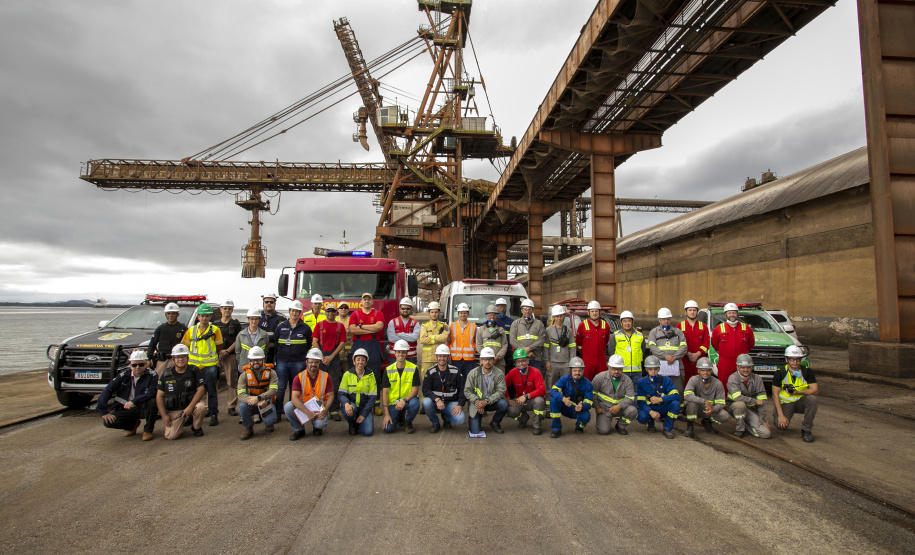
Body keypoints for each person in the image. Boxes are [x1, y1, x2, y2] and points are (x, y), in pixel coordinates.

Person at [97, 351, 158, 441]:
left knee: (152, 402)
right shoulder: (123, 375)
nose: (137, 367)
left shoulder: (152, 375)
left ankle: (148, 430)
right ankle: (131, 426)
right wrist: (103, 411)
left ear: (146, 364)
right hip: (124, 407)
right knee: (108, 422)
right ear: (130, 365)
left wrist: (135, 401)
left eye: (141, 364)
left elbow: (153, 392)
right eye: (134, 365)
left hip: (142, 407)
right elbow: (107, 390)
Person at [180, 303, 224, 426]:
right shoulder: (191, 330)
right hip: (193, 367)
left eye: (207, 316)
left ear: (210, 316)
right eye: (202, 316)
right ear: (198, 317)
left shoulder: (215, 330)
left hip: (209, 365)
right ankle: (191, 414)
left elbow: (219, 346)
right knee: (192, 392)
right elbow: (184, 346)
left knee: (211, 391)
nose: (204, 318)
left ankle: (213, 413)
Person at [156, 344, 207, 439]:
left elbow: (201, 390)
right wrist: (163, 415)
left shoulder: (194, 371)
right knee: (171, 436)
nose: (181, 359)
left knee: (201, 407)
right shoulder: (166, 374)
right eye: (178, 357)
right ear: (173, 359)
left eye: (183, 356)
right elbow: (159, 396)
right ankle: (180, 424)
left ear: (187, 358)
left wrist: (190, 408)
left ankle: (196, 427)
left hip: (190, 405)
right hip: (175, 409)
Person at [274, 300, 314, 420]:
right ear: (289, 311)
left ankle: (291, 411)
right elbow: (276, 343)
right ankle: (277, 412)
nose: (294, 313)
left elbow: (308, 344)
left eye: (297, 311)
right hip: (282, 361)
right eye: (292, 311)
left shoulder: (305, 328)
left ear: (300, 312)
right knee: (280, 387)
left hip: (298, 362)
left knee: (294, 388)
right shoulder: (281, 327)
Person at [347, 292, 386, 414]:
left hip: (373, 345)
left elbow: (379, 327)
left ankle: (376, 404)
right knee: (357, 374)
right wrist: (370, 328)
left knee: (375, 375)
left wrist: (361, 327)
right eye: (365, 299)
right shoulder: (355, 314)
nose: (367, 301)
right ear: (361, 302)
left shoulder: (378, 313)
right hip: (359, 345)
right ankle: (358, 403)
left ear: (372, 301)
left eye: (369, 299)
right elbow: (352, 329)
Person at [284, 348, 334, 440]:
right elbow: (294, 398)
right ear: (306, 362)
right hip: (304, 405)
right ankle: (299, 430)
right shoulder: (298, 377)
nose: (313, 364)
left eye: (316, 362)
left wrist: (325, 410)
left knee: (321, 423)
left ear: (320, 363)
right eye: (311, 362)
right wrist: (307, 413)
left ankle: (316, 428)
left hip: (319, 407)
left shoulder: (326, 376)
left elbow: (331, 396)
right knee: (288, 406)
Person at [772, 345, 818, 443]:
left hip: (800, 402)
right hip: (786, 403)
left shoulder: (807, 371)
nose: (795, 362)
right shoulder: (780, 373)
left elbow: (815, 390)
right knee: (780, 426)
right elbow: (775, 395)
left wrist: (799, 392)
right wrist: (781, 416)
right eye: (792, 359)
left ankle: (806, 429)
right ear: (786, 359)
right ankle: (779, 415)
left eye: (798, 360)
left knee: (812, 399)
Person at [421, 344, 466, 433]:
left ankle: (446, 418)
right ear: (436, 357)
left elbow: (462, 389)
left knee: (461, 420)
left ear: (448, 357)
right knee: (426, 402)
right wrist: (437, 399)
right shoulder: (430, 372)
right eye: (440, 356)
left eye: (444, 356)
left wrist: (460, 405)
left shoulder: (455, 371)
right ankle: (435, 423)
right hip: (436, 403)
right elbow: (425, 389)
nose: (442, 358)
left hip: (450, 403)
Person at [313, 305, 347, 421]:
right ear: (325, 312)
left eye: (333, 311)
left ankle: (334, 411)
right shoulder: (320, 325)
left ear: (336, 312)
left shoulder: (340, 326)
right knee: (319, 384)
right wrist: (322, 357)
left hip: (334, 357)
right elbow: (314, 341)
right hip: (321, 356)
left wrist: (331, 357)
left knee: (334, 384)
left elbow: (342, 343)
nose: (331, 313)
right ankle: (319, 409)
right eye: (328, 311)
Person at [236, 346, 278, 440]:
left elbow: (273, 390)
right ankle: (248, 428)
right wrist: (256, 401)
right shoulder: (243, 375)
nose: (255, 362)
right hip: (251, 403)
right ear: (249, 361)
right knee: (242, 406)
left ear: (263, 359)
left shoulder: (271, 373)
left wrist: (259, 398)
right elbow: (241, 395)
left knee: (270, 423)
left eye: (258, 360)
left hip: (265, 402)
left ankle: (268, 423)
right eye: (253, 360)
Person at [682, 357, 730, 438]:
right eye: (702, 370)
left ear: (711, 371)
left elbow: (721, 402)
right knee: (691, 403)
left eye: (708, 370)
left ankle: (707, 422)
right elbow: (687, 395)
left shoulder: (717, 383)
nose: (705, 373)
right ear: (698, 371)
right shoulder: (693, 379)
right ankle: (690, 426)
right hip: (697, 409)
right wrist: (704, 401)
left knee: (725, 415)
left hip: (710, 410)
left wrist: (713, 409)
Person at [464, 347, 508, 435]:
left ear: (493, 360)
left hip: (491, 402)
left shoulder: (499, 374)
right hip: (476, 403)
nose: (487, 362)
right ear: (481, 360)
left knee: (503, 404)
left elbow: (501, 391)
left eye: (490, 359)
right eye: (485, 359)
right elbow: (467, 391)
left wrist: (487, 402)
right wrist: (477, 401)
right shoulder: (472, 373)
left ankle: (495, 422)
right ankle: (477, 417)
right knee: (475, 431)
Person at [710, 302, 755, 389]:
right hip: (725, 363)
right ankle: (724, 401)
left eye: (734, 312)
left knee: (741, 384)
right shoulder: (718, 328)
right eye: (729, 313)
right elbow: (715, 344)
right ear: (725, 314)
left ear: (737, 314)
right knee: (724, 384)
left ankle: (740, 401)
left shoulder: (746, 328)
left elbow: (751, 344)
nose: (732, 315)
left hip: (742, 364)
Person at [726, 354, 771, 439]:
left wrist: (761, 417)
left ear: (751, 367)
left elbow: (763, 400)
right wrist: (755, 401)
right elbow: (737, 398)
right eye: (743, 367)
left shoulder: (757, 378)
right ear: (737, 367)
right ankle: (740, 430)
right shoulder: (733, 378)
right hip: (735, 407)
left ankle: (747, 426)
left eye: (748, 367)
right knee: (740, 405)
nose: (746, 370)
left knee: (766, 434)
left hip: (751, 410)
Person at [591, 354, 638, 435]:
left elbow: (630, 397)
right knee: (603, 431)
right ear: (608, 367)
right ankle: (604, 421)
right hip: (604, 409)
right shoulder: (599, 378)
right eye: (614, 369)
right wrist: (597, 407)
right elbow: (592, 393)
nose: (616, 371)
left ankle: (620, 426)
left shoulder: (627, 380)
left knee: (632, 411)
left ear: (622, 368)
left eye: (619, 369)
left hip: (620, 408)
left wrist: (619, 406)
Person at [381, 340, 421, 434]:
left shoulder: (413, 368)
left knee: (415, 404)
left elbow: (415, 390)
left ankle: (408, 421)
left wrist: (404, 401)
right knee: (388, 429)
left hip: (407, 401)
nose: (401, 354)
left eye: (403, 352)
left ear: (406, 353)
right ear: (395, 353)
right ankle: (400, 416)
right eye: (398, 352)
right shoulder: (388, 370)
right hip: (393, 404)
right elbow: (385, 393)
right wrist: (386, 414)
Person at [636, 355, 680, 439]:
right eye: (650, 369)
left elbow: (676, 396)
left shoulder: (666, 380)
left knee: (675, 404)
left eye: (655, 369)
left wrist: (661, 399)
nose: (653, 371)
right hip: (650, 408)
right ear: (646, 369)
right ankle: (651, 424)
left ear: (659, 369)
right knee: (642, 417)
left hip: (663, 407)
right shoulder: (641, 382)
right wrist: (650, 412)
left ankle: (667, 428)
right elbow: (641, 402)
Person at [504, 349, 547, 435]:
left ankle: (537, 425)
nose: (521, 364)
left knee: (539, 401)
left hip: (533, 400)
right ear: (515, 363)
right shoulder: (513, 372)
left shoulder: (535, 372)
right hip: (520, 400)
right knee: (510, 409)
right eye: (518, 361)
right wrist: (508, 398)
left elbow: (542, 390)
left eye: (523, 360)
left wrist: (527, 396)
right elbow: (502, 385)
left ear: (528, 361)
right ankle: (523, 418)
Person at [548, 357, 593, 438]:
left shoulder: (588, 384)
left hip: (576, 409)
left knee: (586, 416)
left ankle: (579, 427)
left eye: (580, 370)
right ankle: (556, 428)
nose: (577, 373)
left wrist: (582, 406)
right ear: (570, 371)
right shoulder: (564, 379)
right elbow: (553, 391)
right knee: (553, 400)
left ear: (583, 371)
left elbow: (589, 402)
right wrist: (563, 399)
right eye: (575, 370)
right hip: (564, 406)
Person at [647, 308, 688, 393]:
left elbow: (684, 347)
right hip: (661, 366)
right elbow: (653, 347)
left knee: (678, 389)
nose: (666, 321)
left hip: (676, 365)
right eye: (664, 319)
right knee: (660, 389)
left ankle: (678, 405)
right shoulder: (654, 332)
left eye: (668, 319)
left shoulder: (678, 332)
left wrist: (675, 357)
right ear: (659, 320)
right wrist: (665, 356)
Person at [338, 347, 378, 436]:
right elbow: (341, 394)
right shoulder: (347, 375)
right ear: (354, 362)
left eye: (363, 360)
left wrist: (363, 415)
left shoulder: (371, 376)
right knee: (349, 410)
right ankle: (352, 423)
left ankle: (359, 421)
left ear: (366, 362)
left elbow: (372, 398)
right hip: (351, 405)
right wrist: (346, 403)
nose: (360, 362)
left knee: (367, 432)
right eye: (358, 359)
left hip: (364, 407)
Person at [213, 299, 242, 417]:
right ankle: (212, 407)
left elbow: (238, 339)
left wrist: (227, 351)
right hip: (216, 356)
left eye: (229, 308)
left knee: (231, 382)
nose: (227, 310)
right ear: (221, 310)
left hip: (230, 355)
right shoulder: (214, 324)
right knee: (213, 381)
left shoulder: (235, 324)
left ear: (232, 310)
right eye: (225, 308)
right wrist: (220, 352)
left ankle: (231, 406)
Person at [146, 302, 187, 376]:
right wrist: (149, 358)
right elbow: (152, 344)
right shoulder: (160, 328)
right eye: (168, 313)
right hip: (163, 361)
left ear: (177, 314)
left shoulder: (183, 328)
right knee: (160, 381)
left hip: (178, 360)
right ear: (165, 315)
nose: (170, 315)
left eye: (173, 313)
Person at [609, 310, 647, 387]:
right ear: (621, 323)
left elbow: (642, 349)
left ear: (633, 322)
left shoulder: (640, 336)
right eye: (625, 321)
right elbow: (611, 352)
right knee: (621, 391)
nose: (627, 323)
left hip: (637, 371)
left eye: (629, 321)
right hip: (621, 370)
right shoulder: (615, 336)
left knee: (636, 392)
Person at [576, 300, 611, 384]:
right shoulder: (582, 325)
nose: (594, 313)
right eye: (592, 311)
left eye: (596, 311)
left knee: (602, 382)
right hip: (587, 360)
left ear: (599, 312)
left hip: (601, 360)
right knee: (586, 382)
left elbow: (606, 341)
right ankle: (587, 397)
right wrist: (584, 353)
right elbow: (578, 342)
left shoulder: (605, 325)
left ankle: (600, 397)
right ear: (588, 312)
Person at [678, 300, 710, 389]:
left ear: (697, 312)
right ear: (685, 312)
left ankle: (700, 399)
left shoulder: (703, 326)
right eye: (690, 310)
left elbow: (707, 342)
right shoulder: (679, 326)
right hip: (685, 359)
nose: (692, 312)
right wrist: (687, 353)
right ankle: (686, 400)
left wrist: (697, 354)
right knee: (685, 380)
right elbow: (678, 342)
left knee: (701, 381)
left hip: (699, 359)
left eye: (694, 310)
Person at [544, 304, 576, 391]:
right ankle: (549, 401)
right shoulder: (548, 330)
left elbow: (572, 347)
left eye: (561, 316)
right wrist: (547, 361)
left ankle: (565, 401)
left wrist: (571, 363)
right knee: (550, 383)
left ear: (564, 316)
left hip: (565, 363)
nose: (559, 318)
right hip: (552, 362)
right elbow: (546, 347)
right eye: (557, 316)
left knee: (566, 383)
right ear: (554, 317)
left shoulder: (568, 331)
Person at [510, 298, 546, 372]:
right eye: (525, 309)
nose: (527, 311)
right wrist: (525, 351)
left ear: (532, 310)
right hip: (520, 358)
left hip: (535, 358)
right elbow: (512, 340)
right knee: (520, 380)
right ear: (521, 310)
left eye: (529, 309)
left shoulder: (539, 324)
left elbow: (541, 339)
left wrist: (529, 348)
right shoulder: (515, 324)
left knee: (535, 380)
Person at [418, 301, 449, 381]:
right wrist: (437, 338)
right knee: (426, 380)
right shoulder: (424, 325)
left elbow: (444, 338)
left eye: (436, 312)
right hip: (427, 359)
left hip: (439, 358)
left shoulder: (444, 325)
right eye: (432, 312)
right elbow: (422, 339)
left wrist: (430, 337)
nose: (434, 314)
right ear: (429, 313)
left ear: (438, 312)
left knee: (439, 380)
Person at [386, 297, 420, 366]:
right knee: (393, 376)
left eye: (407, 308)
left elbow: (414, 338)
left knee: (410, 376)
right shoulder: (392, 322)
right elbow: (392, 338)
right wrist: (409, 337)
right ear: (399, 309)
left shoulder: (415, 323)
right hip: (394, 357)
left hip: (411, 357)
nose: (405, 310)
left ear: (411, 310)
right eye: (403, 308)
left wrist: (399, 334)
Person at [236, 308, 269, 377]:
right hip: (245, 367)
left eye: (256, 319)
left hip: (259, 368)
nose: (254, 321)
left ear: (259, 320)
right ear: (248, 320)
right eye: (252, 319)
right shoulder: (241, 334)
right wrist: (241, 363)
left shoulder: (264, 335)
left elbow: (266, 351)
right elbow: (238, 352)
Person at [476, 305, 509, 372]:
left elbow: (505, 345)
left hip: (499, 362)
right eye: (490, 315)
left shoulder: (501, 330)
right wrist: (486, 357)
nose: (492, 317)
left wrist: (498, 357)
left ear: (497, 316)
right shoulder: (481, 330)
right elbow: (478, 345)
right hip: (485, 362)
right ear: (486, 316)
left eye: (494, 315)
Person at [449, 303, 477, 377]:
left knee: (469, 378)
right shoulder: (452, 326)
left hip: (469, 359)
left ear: (468, 314)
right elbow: (448, 341)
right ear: (458, 314)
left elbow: (476, 341)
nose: (463, 315)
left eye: (465, 313)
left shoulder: (473, 326)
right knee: (456, 379)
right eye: (461, 313)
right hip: (455, 359)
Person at [259, 294, 284, 364]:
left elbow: (284, 335)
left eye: (271, 302)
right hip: (259, 351)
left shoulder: (281, 318)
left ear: (275, 304)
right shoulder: (257, 316)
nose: (269, 304)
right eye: (266, 302)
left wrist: (274, 344)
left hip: (274, 352)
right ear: (263, 303)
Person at [337, 302, 353, 373]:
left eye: (345, 308)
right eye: (341, 308)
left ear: (348, 310)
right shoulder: (333, 320)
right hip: (336, 352)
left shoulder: (352, 321)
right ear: (338, 310)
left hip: (348, 352)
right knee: (336, 372)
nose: (343, 309)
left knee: (348, 372)